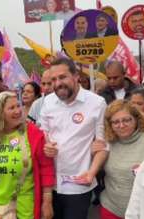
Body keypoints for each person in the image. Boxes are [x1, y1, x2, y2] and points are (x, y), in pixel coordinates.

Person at [0, 91, 55, 219]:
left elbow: (46, 168)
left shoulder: (33, 133)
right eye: (11, 108)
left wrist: (47, 202)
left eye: (18, 106)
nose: (18, 111)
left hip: (25, 209)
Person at [40, 58, 108, 219]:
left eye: (62, 77)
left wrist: (91, 172)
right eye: (53, 80)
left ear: (76, 76)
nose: (57, 83)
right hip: (50, 184)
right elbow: (43, 133)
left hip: (79, 184)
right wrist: (46, 145)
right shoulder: (48, 102)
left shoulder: (97, 103)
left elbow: (103, 145)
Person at [97, 100, 144, 219]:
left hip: (143, 211)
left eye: (126, 120)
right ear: (110, 125)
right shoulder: (108, 143)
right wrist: (94, 154)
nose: (121, 125)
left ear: (136, 119)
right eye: (115, 122)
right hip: (111, 208)